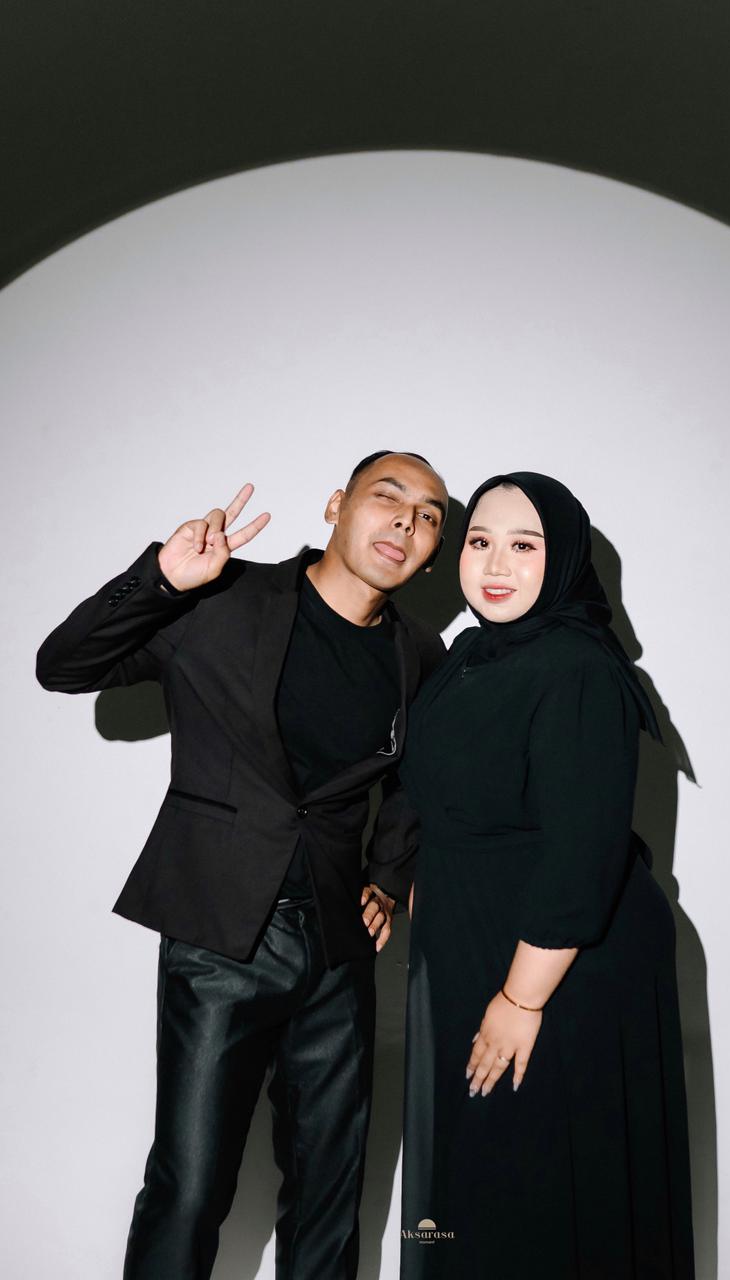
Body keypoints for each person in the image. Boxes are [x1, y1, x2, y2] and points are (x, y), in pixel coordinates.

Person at [35, 450, 449, 1280]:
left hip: (337, 951)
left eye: (431, 516)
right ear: (337, 506)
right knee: (189, 1189)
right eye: (389, 496)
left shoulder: (419, 654)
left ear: (433, 551)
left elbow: (416, 781)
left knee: (330, 1199)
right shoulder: (224, 598)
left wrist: (386, 877)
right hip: (219, 940)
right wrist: (162, 579)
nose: (408, 520)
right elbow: (63, 667)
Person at [398, 472, 695, 1278]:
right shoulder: (470, 656)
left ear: (560, 559)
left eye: (524, 545)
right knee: (478, 1189)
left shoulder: (576, 667)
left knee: (535, 1192)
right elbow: (438, 795)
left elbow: (581, 853)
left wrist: (520, 999)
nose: (496, 564)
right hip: (476, 949)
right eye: (480, 541)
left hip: (555, 968)